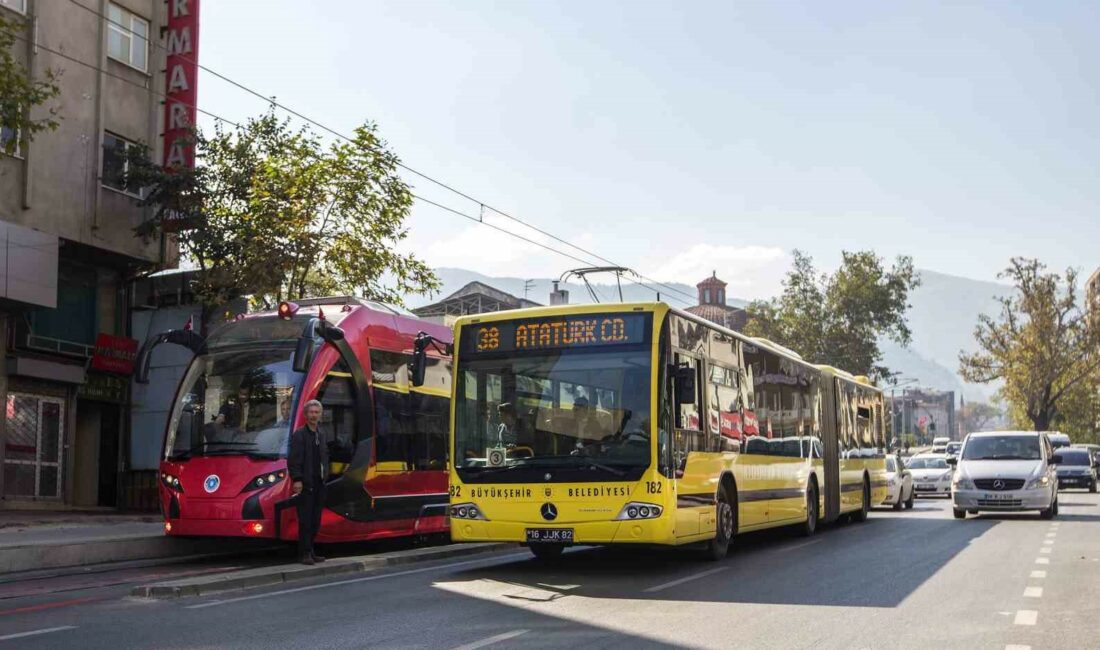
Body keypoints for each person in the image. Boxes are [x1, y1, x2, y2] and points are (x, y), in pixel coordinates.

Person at [287, 399, 329, 565]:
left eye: (316, 412)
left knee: (316, 520)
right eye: (311, 412)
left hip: (319, 483)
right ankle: (304, 553)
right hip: (305, 483)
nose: (313, 415)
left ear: (320, 415)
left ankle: (311, 550)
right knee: (305, 520)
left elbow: (325, 457)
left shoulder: (322, 433)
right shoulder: (299, 434)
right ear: (306, 415)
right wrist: (297, 479)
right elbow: (294, 460)